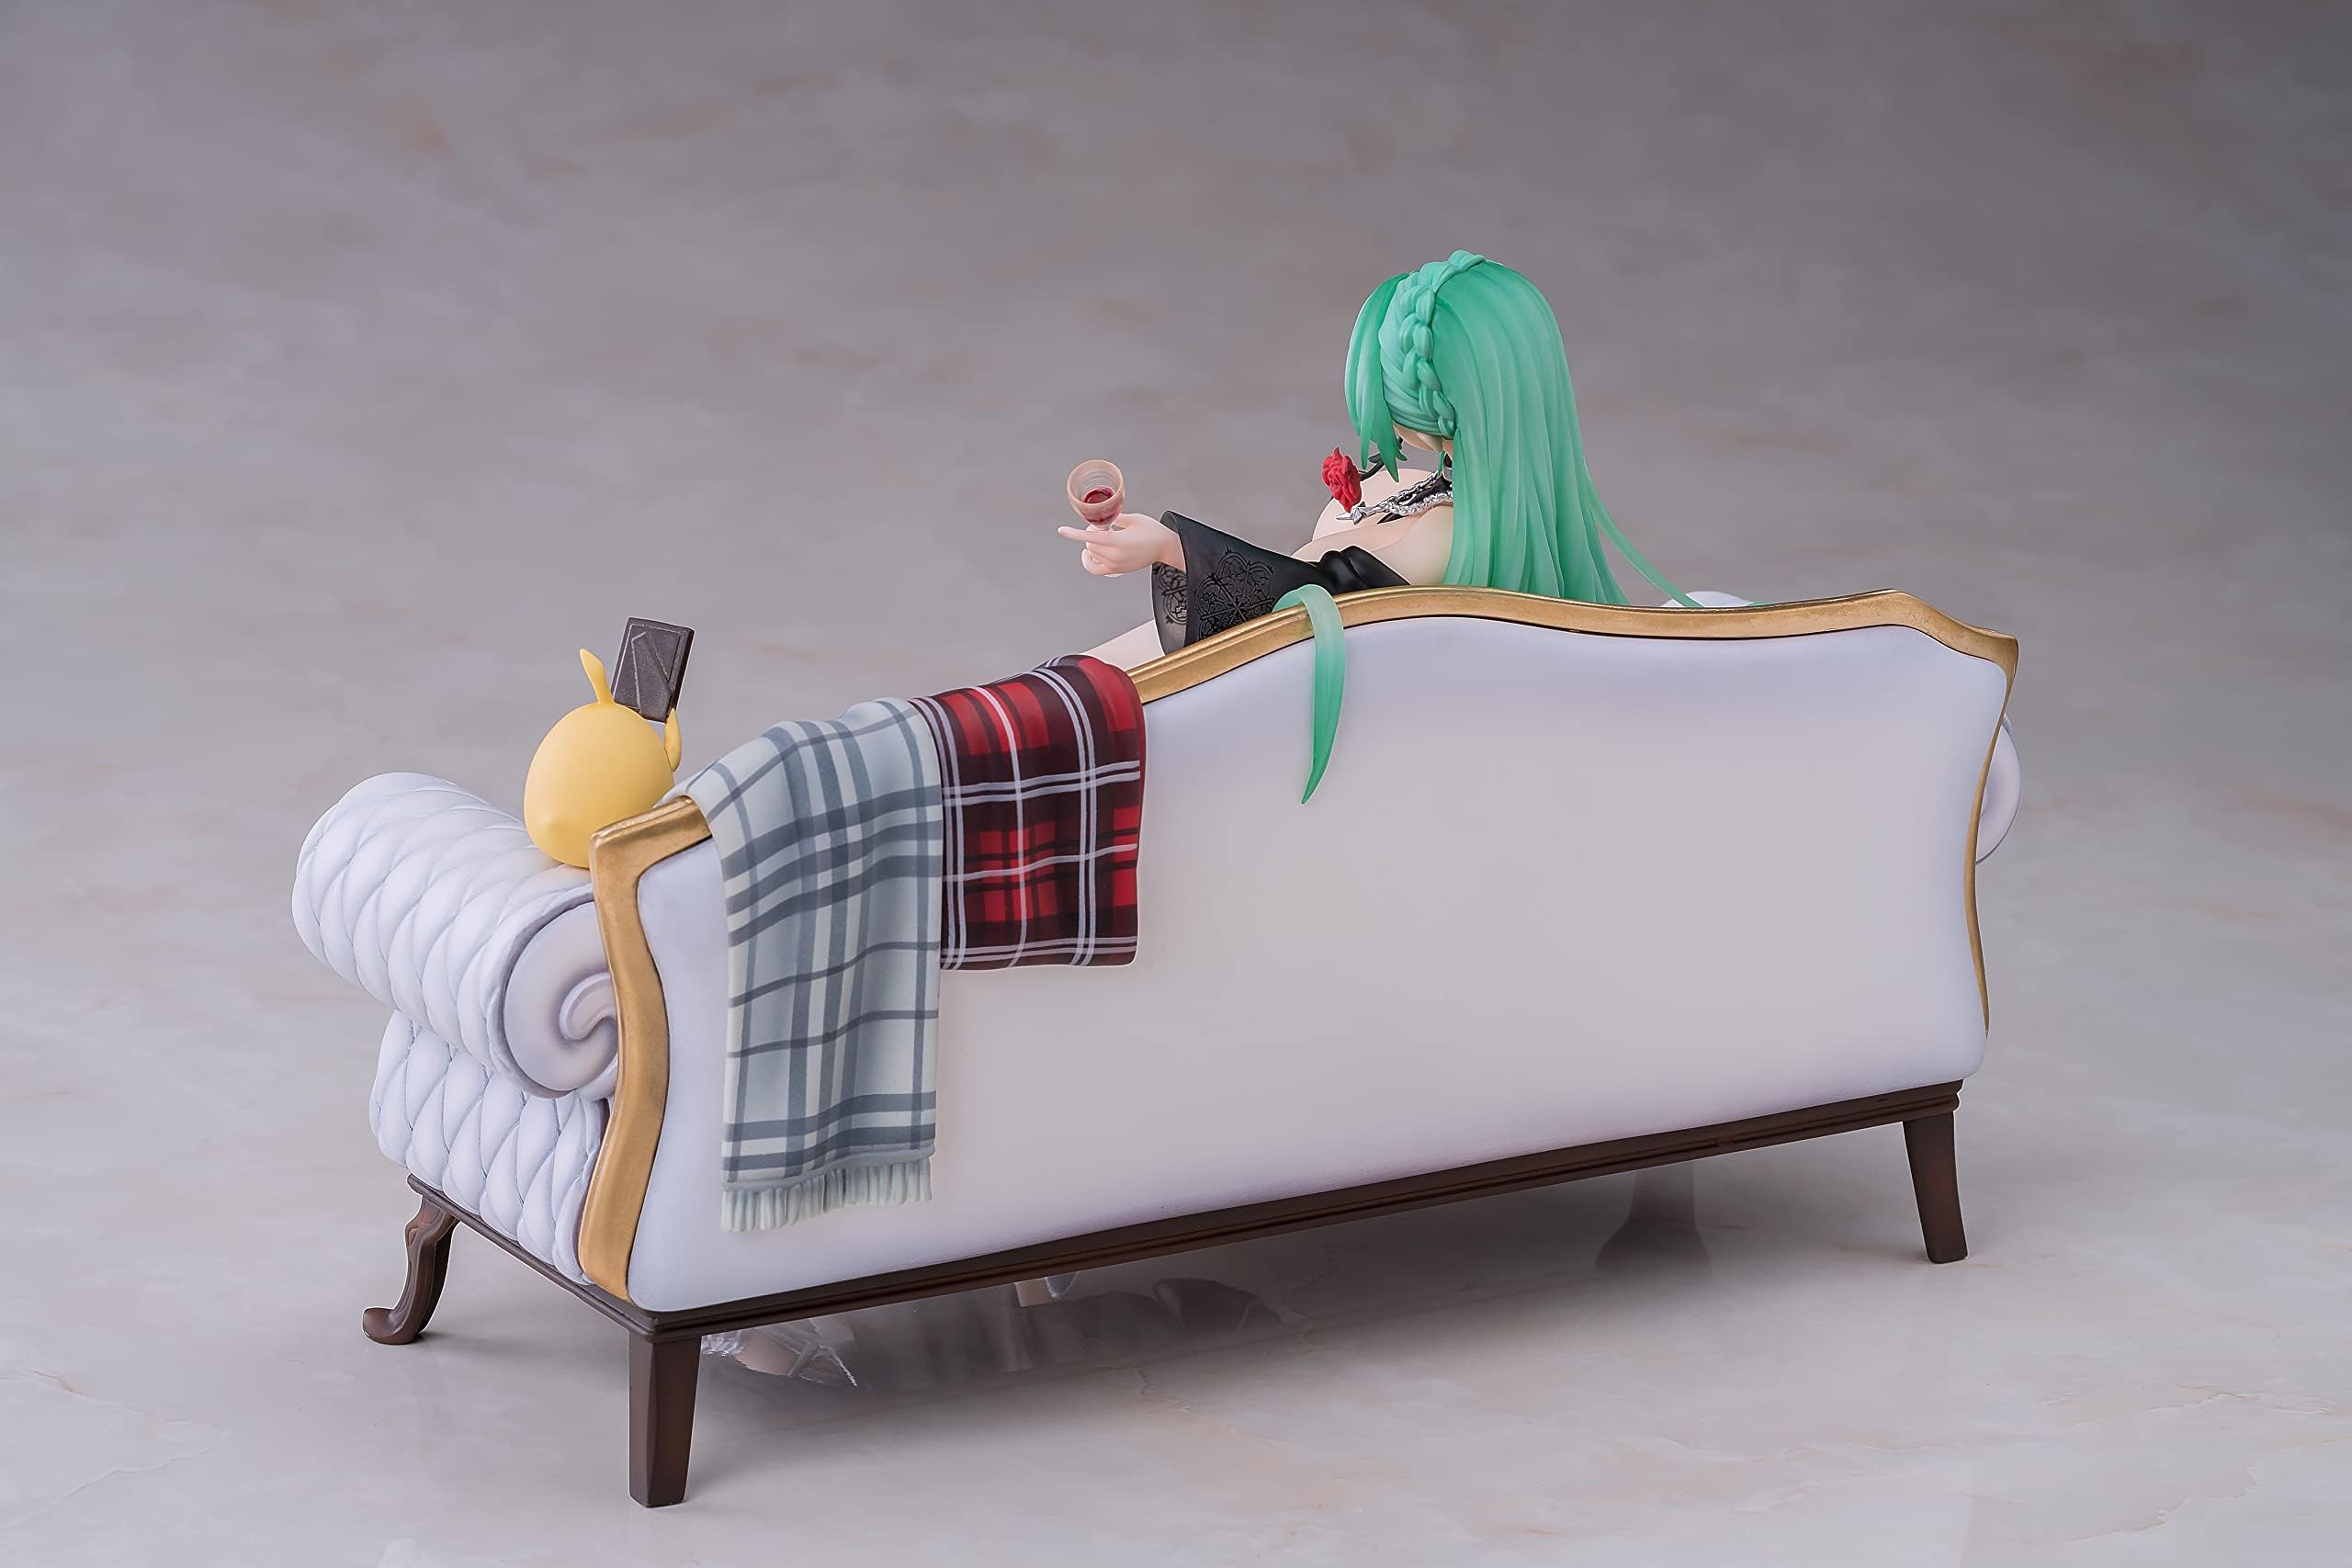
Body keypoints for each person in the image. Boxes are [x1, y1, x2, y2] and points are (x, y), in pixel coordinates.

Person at [1061, 250, 1696, 669]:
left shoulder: (1449, 537)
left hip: (1229, 691)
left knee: (1059, 699)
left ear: (1436, 410)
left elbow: (1306, 598)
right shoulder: (1453, 502)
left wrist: (1170, 547)